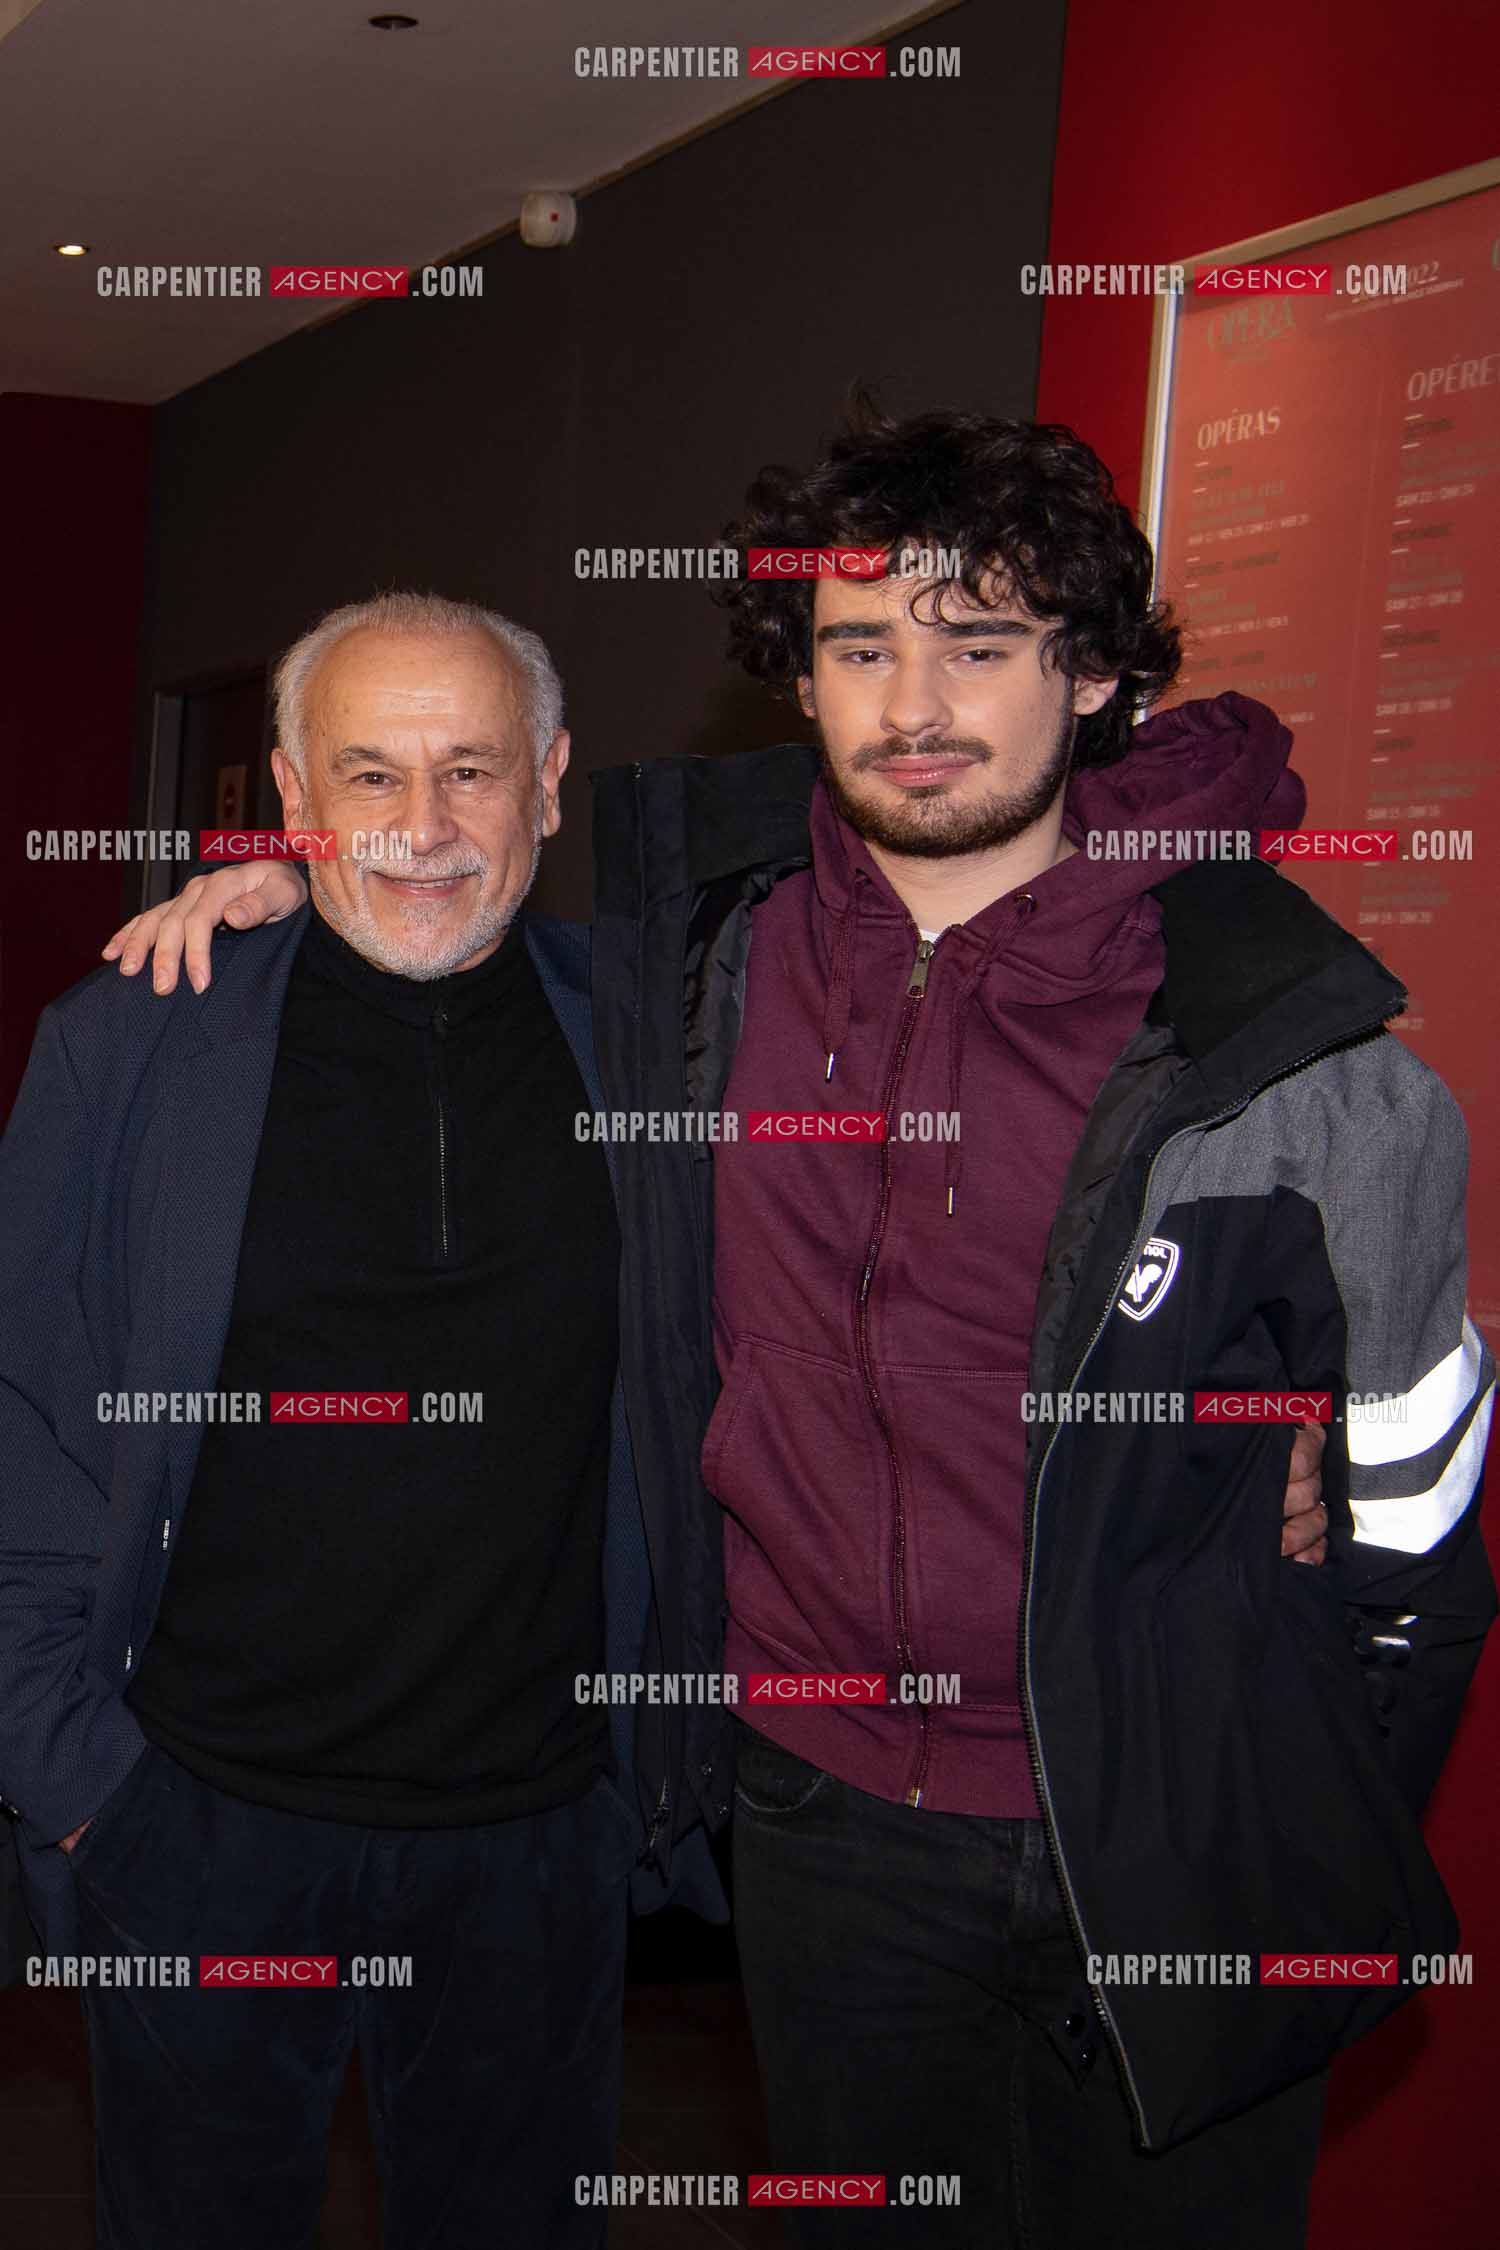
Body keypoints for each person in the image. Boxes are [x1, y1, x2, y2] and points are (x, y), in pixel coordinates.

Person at [97, 407, 1441, 2250]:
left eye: (984, 642)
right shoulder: (706, 957)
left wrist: (1282, 1780)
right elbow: (444, 900)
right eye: (862, 644)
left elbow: (1420, 1531)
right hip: (819, 1832)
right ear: (797, 684)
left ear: (1103, 674)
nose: (920, 698)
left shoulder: (1269, 1024)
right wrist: (279, 900)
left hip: (1162, 1824)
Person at [0, 591, 724, 2250]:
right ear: (286, 792)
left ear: (549, 782)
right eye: (369, 774)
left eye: (470, 770)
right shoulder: (135, 1038)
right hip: (199, 1824)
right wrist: (80, 1776)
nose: (421, 828)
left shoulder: (658, 1034)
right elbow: (17, 1401)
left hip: (540, 1843)